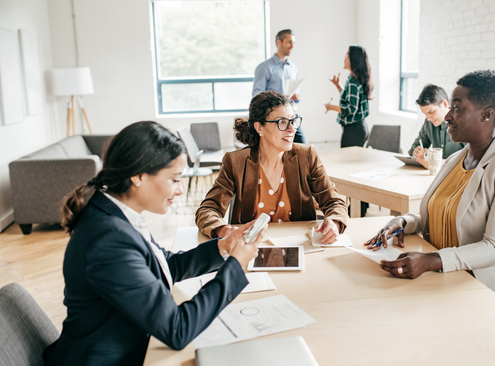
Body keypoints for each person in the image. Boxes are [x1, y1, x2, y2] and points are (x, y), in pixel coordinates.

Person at [44, 122, 267, 366]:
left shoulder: (116, 213)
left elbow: (164, 265)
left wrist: (223, 247)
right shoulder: (108, 239)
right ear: (138, 176)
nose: (180, 190)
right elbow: (177, 329)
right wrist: (235, 265)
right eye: (174, 179)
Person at [364, 70, 495, 300]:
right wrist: (402, 221)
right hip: (450, 278)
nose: (448, 116)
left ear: (486, 115)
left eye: (457, 108)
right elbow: (438, 217)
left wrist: (432, 260)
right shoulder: (454, 160)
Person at [196, 91, 348, 244]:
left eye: (293, 121)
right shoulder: (236, 162)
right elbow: (207, 210)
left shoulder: (307, 156)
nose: (291, 129)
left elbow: (334, 202)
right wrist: (226, 231)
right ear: (259, 128)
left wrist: (334, 222)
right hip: (251, 249)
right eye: (281, 122)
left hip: (300, 247)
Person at [252, 29, 306, 143]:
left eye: (293, 43)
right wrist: (279, 97)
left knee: (303, 147)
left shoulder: (293, 68)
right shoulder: (264, 67)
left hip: (292, 116)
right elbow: (257, 94)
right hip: (275, 119)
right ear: (278, 42)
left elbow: (298, 93)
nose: (292, 46)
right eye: (289, 42)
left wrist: (297, 96)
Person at [325, 45, 372, 148]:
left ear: (352, 59)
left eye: (346, 55)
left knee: (347, 163)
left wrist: (330, 107)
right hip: (361, 127)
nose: (344, 58)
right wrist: (338, 85)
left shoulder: (352, 81)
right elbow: (350, 98)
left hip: (353, 131)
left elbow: (350, 109)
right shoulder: (357, 78)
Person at [409, 84, 466, 169]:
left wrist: (440, 164)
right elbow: (414, 148)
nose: (428, 118)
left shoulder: (463, 124)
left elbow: (473, 160)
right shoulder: (429, 123)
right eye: (425, 114)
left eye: (431, 112)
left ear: (445, 104)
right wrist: (416, 152)